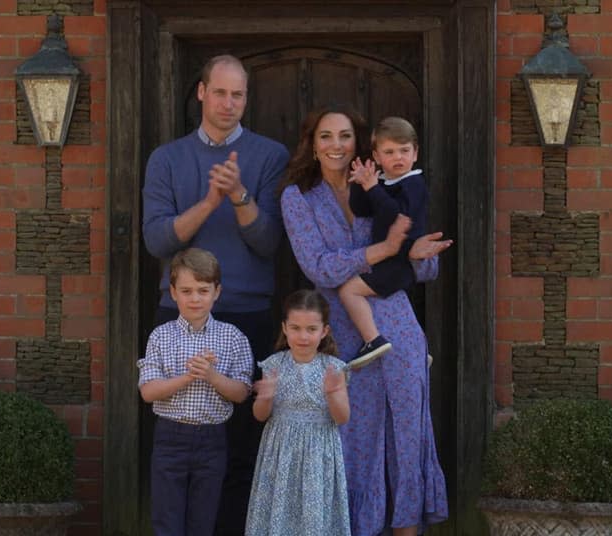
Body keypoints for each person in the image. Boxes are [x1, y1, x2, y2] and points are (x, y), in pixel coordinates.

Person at [279, 103, 451, 536]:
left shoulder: (387, 187)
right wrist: (384, 251)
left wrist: (412, 253)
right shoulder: (298, 197)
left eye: (344, 136)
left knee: (407, 441)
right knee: (351, 445)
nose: (336, 145)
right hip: (343, 340)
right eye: (325, 137)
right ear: (312, 145)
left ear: (360, 145)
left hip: (400, 331)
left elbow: (425, 265)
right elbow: (318, 267)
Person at [141, 54, 290, 534]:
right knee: (175, 446)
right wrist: (209, 201)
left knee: (241, 444)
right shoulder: (167, 158)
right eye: (220, 92)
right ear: (202, 93)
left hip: (246, 313)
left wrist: (240, 195)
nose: (229, 103)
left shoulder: (270, 156)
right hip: (179, 313)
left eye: (239, 94)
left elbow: (269, 243)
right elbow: (158, 241)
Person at [137, 248, 254, 536]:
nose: (195, 298)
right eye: (187, 291)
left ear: (217, 292)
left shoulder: (233, 337)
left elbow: (241, 393)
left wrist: (211, 376)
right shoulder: (161, 336)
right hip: (170, 438)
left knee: (203, 521)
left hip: (212, 440)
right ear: (173, 293)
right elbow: (148, 392)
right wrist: (188, 377)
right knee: (167, 520)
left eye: (203, 290)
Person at [245, 289, 351, 536]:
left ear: (324, 331)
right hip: (280, 452)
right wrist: (266, 396)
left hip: (318, 452)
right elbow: (260, 416)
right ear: (284, 327)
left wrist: (334, 394)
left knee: (314, 518)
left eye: (311, 329)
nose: (303, 336)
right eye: (295, 328)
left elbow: (342, 417)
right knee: (279, 511)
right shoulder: (273, 365)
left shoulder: (334, 368)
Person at [340, 116, 429, 365]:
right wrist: (360, 183)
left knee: (349, 291)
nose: (398, 157)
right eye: (389, 152)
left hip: (398, 260)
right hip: (388, 259)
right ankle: (414, 347)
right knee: (386, 307)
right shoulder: (386, 184)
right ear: (377, 157)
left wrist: (372, 188)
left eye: (404, 150)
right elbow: (362, 210)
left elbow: (396, 216)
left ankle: (373, 340)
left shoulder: (414, 184)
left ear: (415, 153)